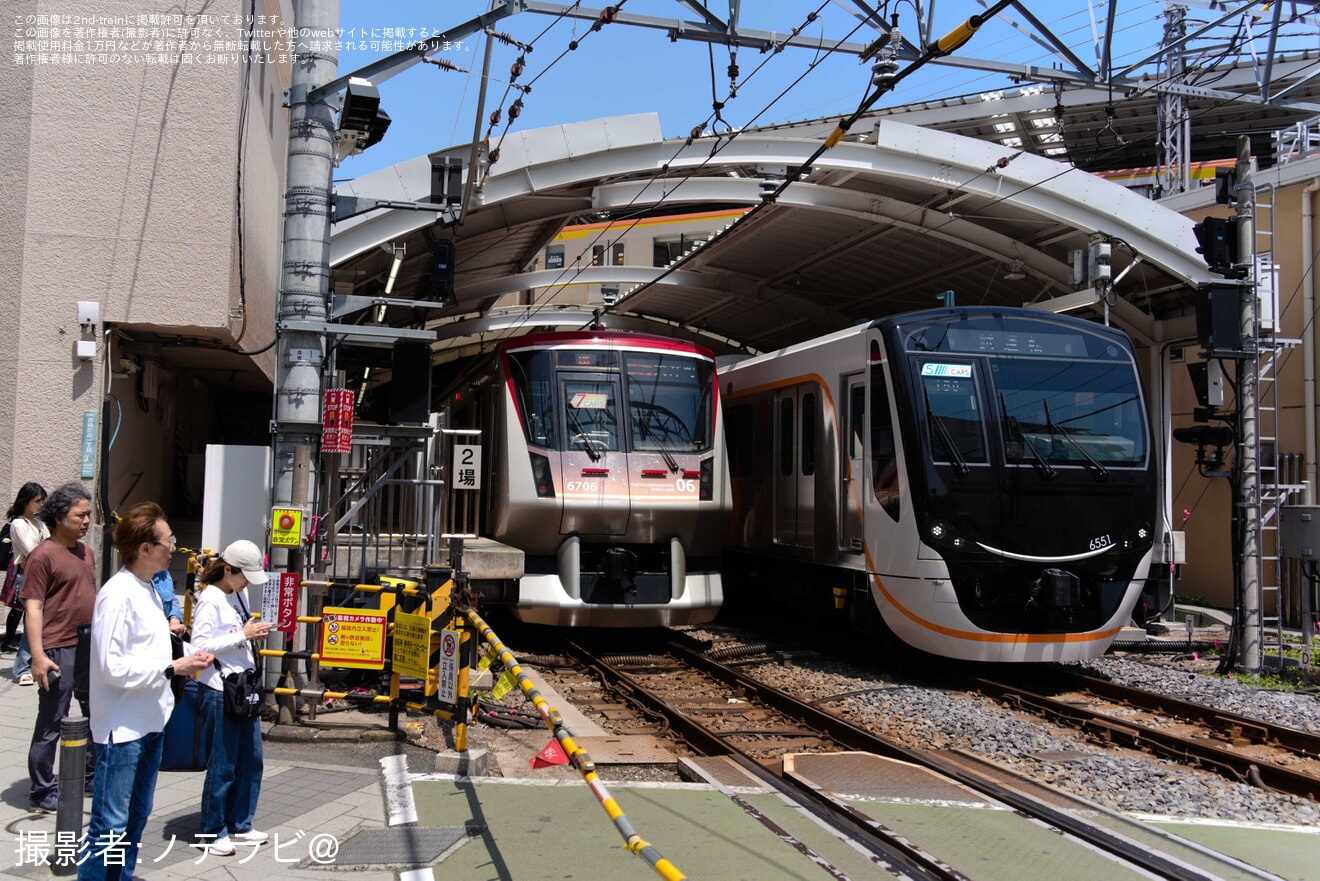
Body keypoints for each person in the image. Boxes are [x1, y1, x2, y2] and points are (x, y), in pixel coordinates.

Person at [78, 502, 213, 881]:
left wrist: (188, 653)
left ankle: (121, 877)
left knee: (136, 815)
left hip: (150, 721)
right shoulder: (118, 594)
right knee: (109, 824)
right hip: (121, 731)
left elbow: (153, 646)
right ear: (145, 549)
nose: (174, 546)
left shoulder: (149, 589)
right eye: (169, 540)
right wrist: (173, 667)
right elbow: (112, 666)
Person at [191, 539, 273, 856]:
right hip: (218, 689)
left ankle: (241, 823)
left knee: (251, 760)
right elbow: (200, 646)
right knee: (223, 764)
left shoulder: (238, 592)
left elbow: (237, 635)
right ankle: (212, 831)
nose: (246, 582)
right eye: (244, 576)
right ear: (228, 569)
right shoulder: (210, 599)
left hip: (243, 687)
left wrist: (250, 633)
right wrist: (244, 635)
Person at [21, 481, 95, 813]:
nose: (86, 521)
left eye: (89, 515)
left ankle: (89, 775)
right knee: (52, 719)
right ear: (60, 516)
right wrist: (37, 656)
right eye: (80, 515)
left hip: (88, 642)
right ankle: (41, 787)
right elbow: (33, 607)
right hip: (57, 647)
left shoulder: (87, 552)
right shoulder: (42, 556)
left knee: (95, 713)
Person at [4, 483, 49, 683]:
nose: (41, 504)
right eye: (37, 500)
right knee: (33, 620)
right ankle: (22, 668)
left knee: (40, 621)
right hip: (28, 576)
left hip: (45, 576)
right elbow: (34, 552)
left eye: (42, 500)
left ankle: (34, 664)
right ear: (26, 501)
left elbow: (51, 546)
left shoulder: (40, 523)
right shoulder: (18, 524)